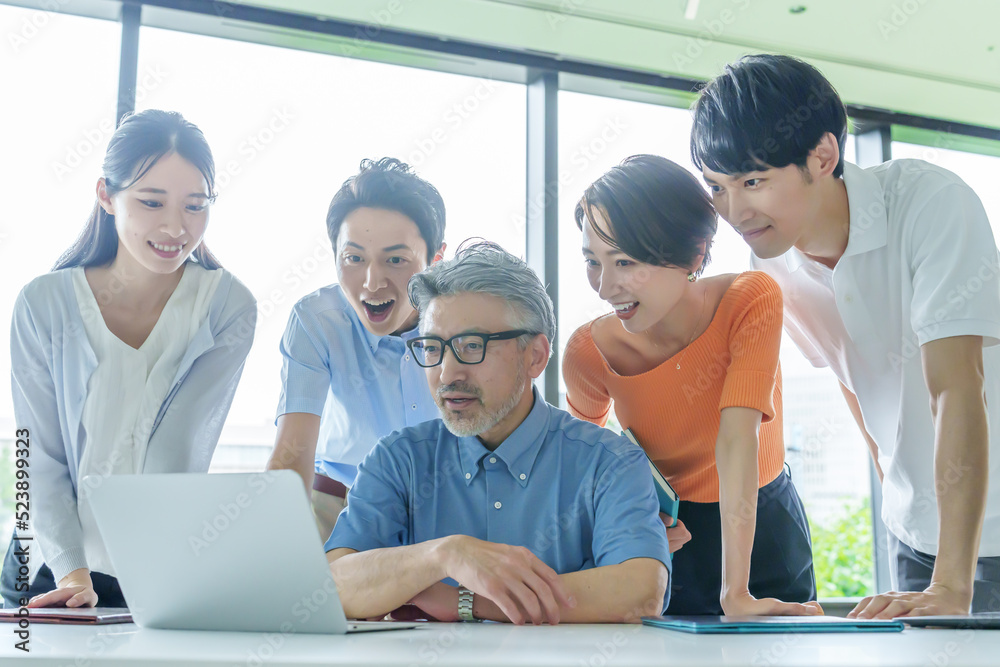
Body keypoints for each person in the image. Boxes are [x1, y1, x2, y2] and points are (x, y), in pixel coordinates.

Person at [691, 53, 1000, 617]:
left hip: (988, 529)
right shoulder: (772, 267)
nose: (733, 210)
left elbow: (958, 387)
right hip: (915, 534)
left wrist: (952, 587)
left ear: (823, 154)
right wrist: (894, 493)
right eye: (718, 187)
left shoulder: (930, 203)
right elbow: (847, 373)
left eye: (753, 181)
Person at [325, 242, 671, 624]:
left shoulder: (607, 461)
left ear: (535, 356)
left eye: (472, 346)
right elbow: (332, 587)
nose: (448, 373)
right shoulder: (398, 459)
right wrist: (445, 554)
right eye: (432, 347)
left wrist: (465, 602)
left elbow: (641, 592)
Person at [0, 110, 256, 609]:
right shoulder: (43, 303)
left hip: (148, 571)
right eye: (151, 201)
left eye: (195, 206)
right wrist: (73, 573)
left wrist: (163, 575)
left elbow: (179, 451)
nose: (176, 227)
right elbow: (37, 457)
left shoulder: (227, 307)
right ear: (105, 195)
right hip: (47, 567)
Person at [562, 155, 819, 616]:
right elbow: (579, 471)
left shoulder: (750, 299)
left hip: (762, 520)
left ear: (694, 256)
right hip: (668, 538)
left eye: (623, 261)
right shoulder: (587, 353)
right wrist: (633, 518)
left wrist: (735, 593)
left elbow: (737, 437)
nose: (605, 288)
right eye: (592, 262)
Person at [266, 158, 446, 540]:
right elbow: (290, 456)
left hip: (445, 510)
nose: (372, 282)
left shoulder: (467, 322)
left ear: (436, 258)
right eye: (354, 258)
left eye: (396, 260)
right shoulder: (317, 320)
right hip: (337, 503)